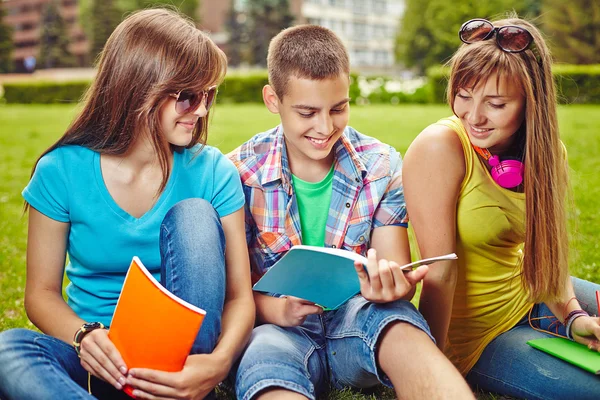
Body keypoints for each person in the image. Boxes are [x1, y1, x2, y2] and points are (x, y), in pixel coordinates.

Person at [0, 8, 254, 400]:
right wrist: (84, 336)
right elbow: (41, 293)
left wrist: (217, 364)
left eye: (207, 96)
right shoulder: (61, 171)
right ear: (138, 87)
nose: (202, 110)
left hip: (184, 366)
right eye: (188, 97)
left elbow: (240, 296)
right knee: (9, 352)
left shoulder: (213, 171)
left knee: (195, 216)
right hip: (94, 360)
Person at [227, 25, 474, 400]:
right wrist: (276, 310)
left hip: (358, 318)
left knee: (400, 327)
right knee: (264, 361)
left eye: (338, 108)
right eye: (307, 112)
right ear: (273, 99)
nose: (325, 127)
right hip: (277, 330)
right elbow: (233, 292)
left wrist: (393, 287)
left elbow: (394, 271)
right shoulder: (240, 172)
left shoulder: (380, 165)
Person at [403, 16, 600, 399]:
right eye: (464, 94)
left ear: (531, 103)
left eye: (495, 103)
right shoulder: (439, 148)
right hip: (476, 339)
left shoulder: (547, 153)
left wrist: (573, 316)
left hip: (533, 294)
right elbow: (439, 274)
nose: (473, 116)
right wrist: (431, 367)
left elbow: (544, 254)